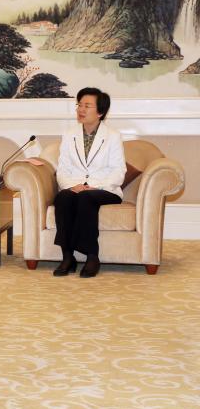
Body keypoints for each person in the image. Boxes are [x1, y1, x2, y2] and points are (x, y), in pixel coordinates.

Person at [53, 87, 126, 278]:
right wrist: (71, 186)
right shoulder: (69, 134)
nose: (81, 109)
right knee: (63, 198)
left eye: (87, 106)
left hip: (105, 188)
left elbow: (118, 171)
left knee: (86, 198)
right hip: (76, 186)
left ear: (100, 112)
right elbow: (62, 169)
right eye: (79, 105)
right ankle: (67, 256)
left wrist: (95, 186)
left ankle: (92, 256)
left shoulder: (113, 136)